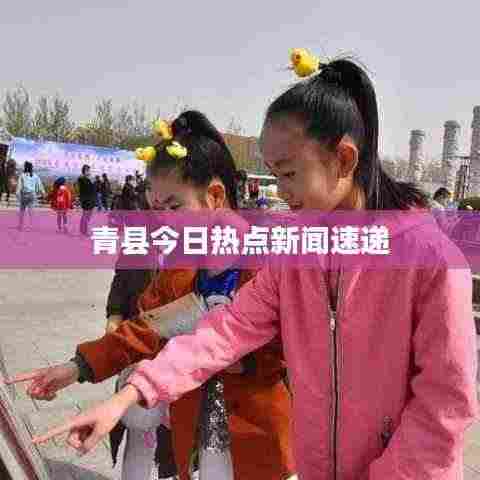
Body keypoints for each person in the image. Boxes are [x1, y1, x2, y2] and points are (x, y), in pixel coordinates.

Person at [25, 55, 479, 480]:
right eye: (274, 175)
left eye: (289, 173)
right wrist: (129, 393)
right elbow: (225, 329)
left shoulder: (429, 262)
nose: (280, 191)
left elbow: (444, 407)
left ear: (344, 159)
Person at [11, 111, 294, 480]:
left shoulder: (268, 264)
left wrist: (245, 362)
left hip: (257, 437)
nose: (161, 221)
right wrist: (78, 366)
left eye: (174, 207)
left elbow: (295, 347)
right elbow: (146, 329)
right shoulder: (182, 268)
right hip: (196, 431)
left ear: (214, 195)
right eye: (155, 208)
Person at [16, 161, 45, 231]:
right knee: (31, 211)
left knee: (22, 210)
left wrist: (17, 194)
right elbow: (40, 185)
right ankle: (30, 226)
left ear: (25, 167)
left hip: (24, 194)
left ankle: (21, 226)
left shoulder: (22, 175)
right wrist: (43, 193)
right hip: (32, 194)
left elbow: (19, 186)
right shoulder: (35, 176)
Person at [77, 165, 96, 236]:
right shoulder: (82, 179)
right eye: (87, 170)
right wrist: (90, 180)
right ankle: (84, 231)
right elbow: (86, 189)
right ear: (84, 171)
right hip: (86, 200)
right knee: (85, 215)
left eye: (89, 170)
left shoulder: (88, 179)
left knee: (88, 216)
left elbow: (93, 189)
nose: (89, 172)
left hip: (91, 199)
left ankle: (83, 230)